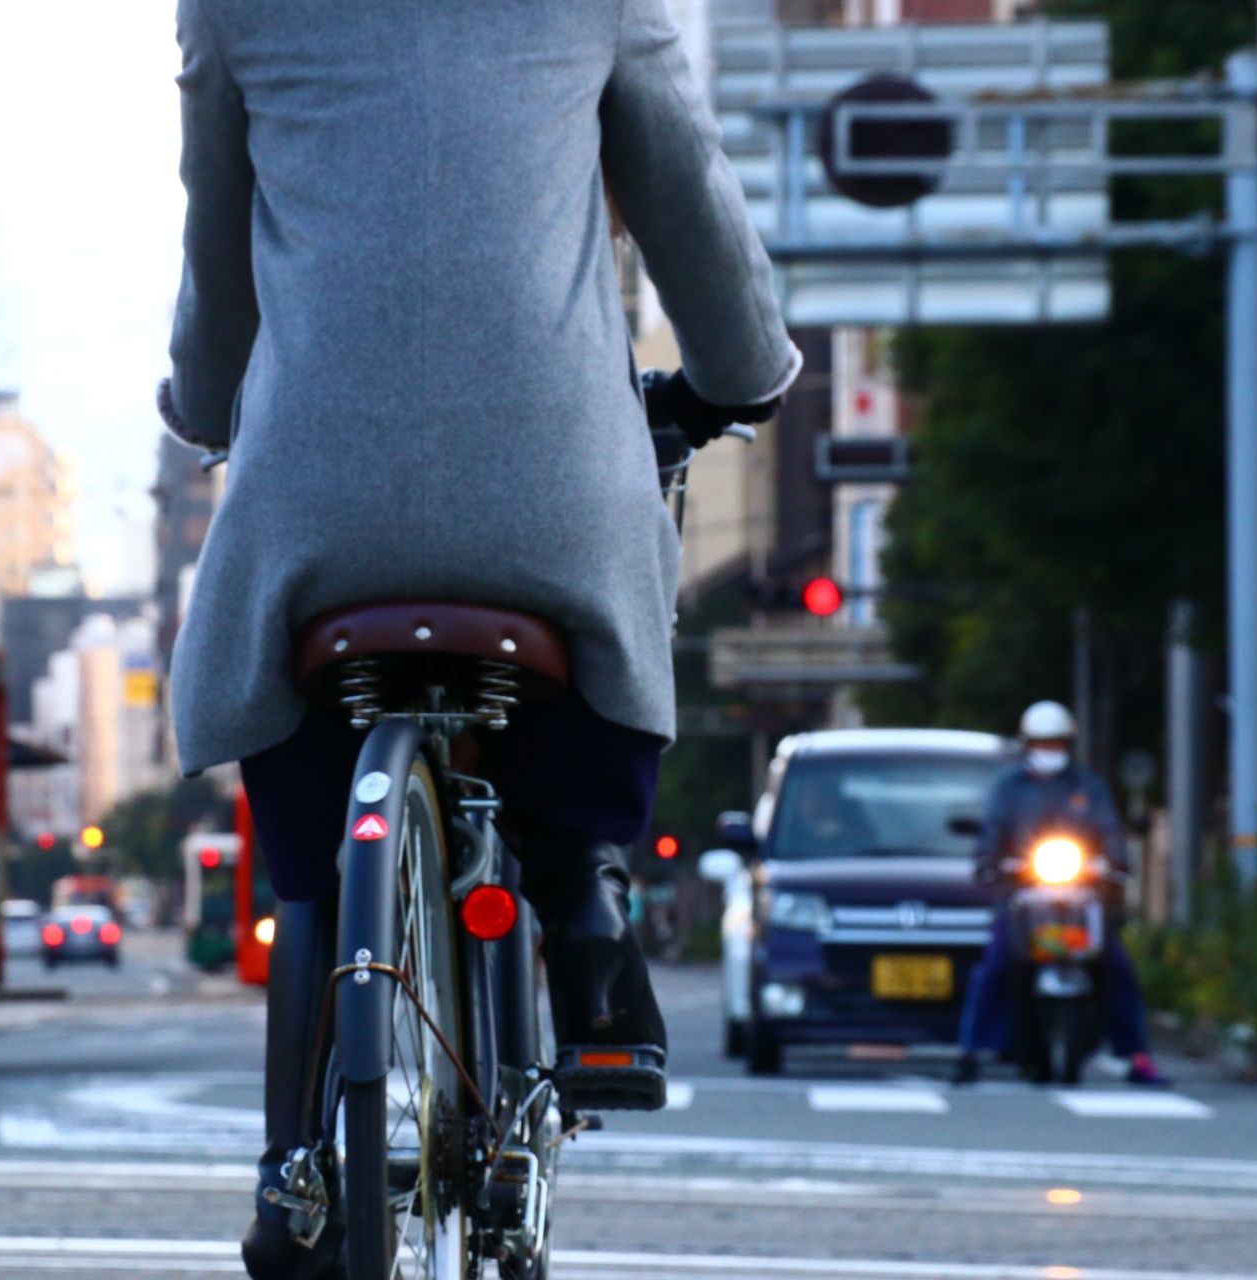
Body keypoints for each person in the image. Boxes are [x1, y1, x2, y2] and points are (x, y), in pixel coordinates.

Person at [157, 3, 798, 1274]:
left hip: (320, 497)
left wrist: (199, 395)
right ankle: (588, 901)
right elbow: (687, 198)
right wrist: (744, 371)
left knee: (294, 770)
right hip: (547, 489)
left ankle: (299, 1156)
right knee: (604, 603)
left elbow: (216, 250)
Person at [951, 701, 1167, 1087]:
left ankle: (1139, 1058)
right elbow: (990, 837)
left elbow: (1110, 833)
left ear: (1069, 744)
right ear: (1027, 744)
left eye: (1056, 743)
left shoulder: (1089, 788)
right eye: (1041, 743)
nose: (1049, 750)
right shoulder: (1008, 790)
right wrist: (991, 863)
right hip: (1024, 900)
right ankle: (970, 1052)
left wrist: (1116, 863)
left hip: (1082, 901)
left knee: (1117, 968)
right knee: (995, 966)